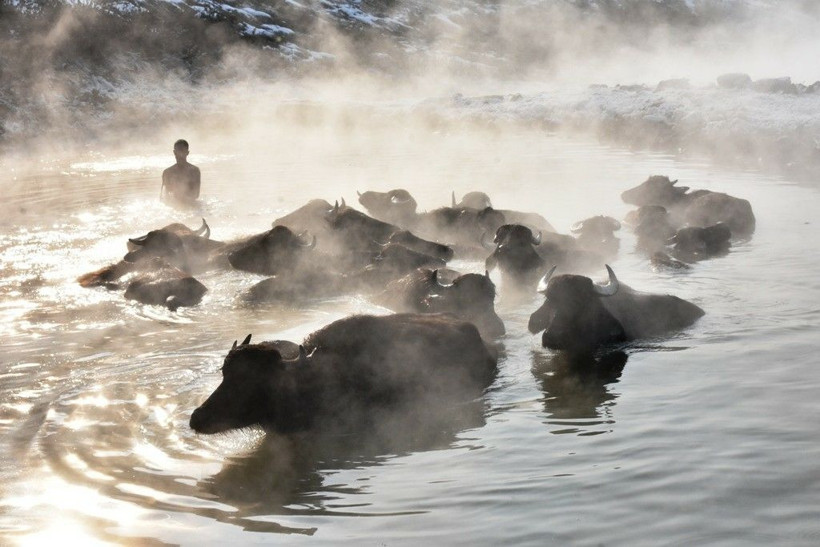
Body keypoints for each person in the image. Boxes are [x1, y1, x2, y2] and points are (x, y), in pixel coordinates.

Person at [161, 139, 201, 204]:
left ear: (187, 153)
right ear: (174, 152)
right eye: (178, 151)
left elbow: (196, 194)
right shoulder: (167, 172)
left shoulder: (194, 171)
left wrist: (182, 196)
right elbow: (163, 197)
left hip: (190, 205)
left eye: (182, 151)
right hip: (173, 206)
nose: (180, 154)